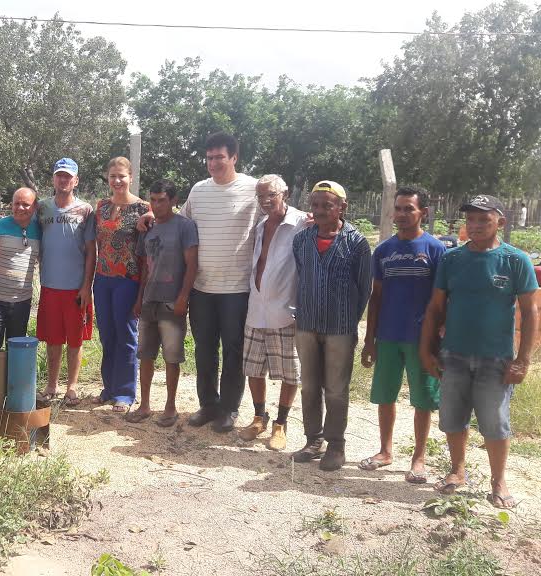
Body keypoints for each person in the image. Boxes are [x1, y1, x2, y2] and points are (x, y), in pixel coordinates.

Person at [420, 194, 538, 509]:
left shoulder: (516, 260)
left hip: (496, 359)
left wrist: (523, 359)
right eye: (470, 219)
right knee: (452, 417)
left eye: (483, 219)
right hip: (454, 355)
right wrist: (427, 349)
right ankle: (457, 471)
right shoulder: (452, 259)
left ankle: (498, 480)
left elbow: (530, 312)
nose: (475, 225)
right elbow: (435, 308)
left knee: (494, 421)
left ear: (500, 221)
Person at [140, 133, 259, 432]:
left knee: (233, 350)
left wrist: (304, 217)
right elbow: (177, 219)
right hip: (202, 288)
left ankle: (229, 409)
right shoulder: (199, 190)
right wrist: (148, 215)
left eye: (220, 157)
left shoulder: (252, 188)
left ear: (234, 158)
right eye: (209, 158)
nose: (214, 163)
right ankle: (208, 404)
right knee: (205, 349)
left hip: (237, 288)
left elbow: (277, 211)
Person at [358, 186, 446, 483]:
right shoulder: (383, 251)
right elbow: (377, 298)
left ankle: (419, 458)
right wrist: (370, 340)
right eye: (398, 208)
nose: (402, 214)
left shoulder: (435, 250)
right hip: (388, 336)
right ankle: (385, 451)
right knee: (386, 395)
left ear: (424, 212)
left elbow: (442, 299)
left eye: (409, 209)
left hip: (422, 339)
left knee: (422, 399)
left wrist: (437, 338)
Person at [291, 180, 372, 471]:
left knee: (336, 389)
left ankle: (336, 445)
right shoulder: (301, 240)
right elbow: (301, 277)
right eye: (315, 205)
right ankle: (314, 440)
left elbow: (364, 289)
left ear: (342, 207)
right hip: (307, 325)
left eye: (328, 205)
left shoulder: (357, 242)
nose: (321, 210)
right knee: (309, 387)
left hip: (340, 328)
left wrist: (349, 321)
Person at [237, 175, 309, 451]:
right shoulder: (261, 225)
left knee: (290, 371)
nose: (266, 201)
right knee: (253, 367)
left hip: (284, 308)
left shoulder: (302, 222)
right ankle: (259, 417)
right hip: (257, 306)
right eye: (261, 196)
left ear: (285, 194)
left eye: (271, 195)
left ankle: (281, 423)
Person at [125, 179, 198, 427]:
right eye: (153, 200)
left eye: (162, 200)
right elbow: (145, 267)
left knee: (172, 356)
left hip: (172, 301)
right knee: (145, 355)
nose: (157, 205)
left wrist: (183, 298)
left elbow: (192, 265)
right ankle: (145, 405)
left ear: (174, 200)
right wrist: (138, 299)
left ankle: (170, 406)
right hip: (149, 300)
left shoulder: (185, 227)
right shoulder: (149, 228)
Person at [35, 158, 96, 406]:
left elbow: (92, 251)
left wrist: (86, 286)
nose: (63, 180)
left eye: (68, 176)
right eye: (59, 175)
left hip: (75, 288)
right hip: (50, 285)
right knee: (53, 339)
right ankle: (52, 385)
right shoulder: (41, 208)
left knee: (75, 339)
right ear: (53, 179)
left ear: (76, 181)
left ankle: (72, 386)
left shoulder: (86, 210)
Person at [93, 157, 150, 412]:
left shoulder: (143, 208)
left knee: (126, 335)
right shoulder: (101, 207)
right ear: (108, 178)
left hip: (128, 279)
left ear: (131, 177)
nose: (117, 181)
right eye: (112, 176)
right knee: (107, 334)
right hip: (102, 278)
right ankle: (110, 387)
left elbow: (149, 250)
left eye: (122, 176)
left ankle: (126, 392)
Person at [0, 187, 41, 409]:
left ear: (34, 207)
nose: (20, 208)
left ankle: (13, 396)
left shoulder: (38, 230)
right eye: (16, 203)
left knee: (16, 351)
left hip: (22, 302)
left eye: (26, 204)